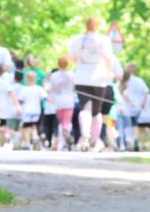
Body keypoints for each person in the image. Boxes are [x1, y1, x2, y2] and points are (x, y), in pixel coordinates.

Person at [66, 17, 115, 152]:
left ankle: (85, 135)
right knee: (96, 111)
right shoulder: (103, 40)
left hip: (82, 76)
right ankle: (95, 139)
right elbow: (108, 58)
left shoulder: (78, 39)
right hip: (99, 78)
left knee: (85, 108)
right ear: (98, 26)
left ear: (86, 26)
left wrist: (78, 58)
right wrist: (109, 72)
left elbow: (70, 58)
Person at [45, 57, 76, 151]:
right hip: (69, 100)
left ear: (58, 64)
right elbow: (75, 86)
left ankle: (62, 141)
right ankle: (66, 133)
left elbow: (51, 88)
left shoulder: (54, 75)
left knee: (61, 122)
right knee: (67, 121)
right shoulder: (71, 74)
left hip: (58, 101)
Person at [18, 71, 47, 150]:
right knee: (34, 126)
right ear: (36, 79)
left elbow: (20, 101)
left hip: (26, 111)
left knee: (26, 127)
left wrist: (18, 108)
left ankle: (27, 143)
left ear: (26, 79)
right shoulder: (39, 88)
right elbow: (45, 97)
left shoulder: (24, 89)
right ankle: (35, 138)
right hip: (36, 111)